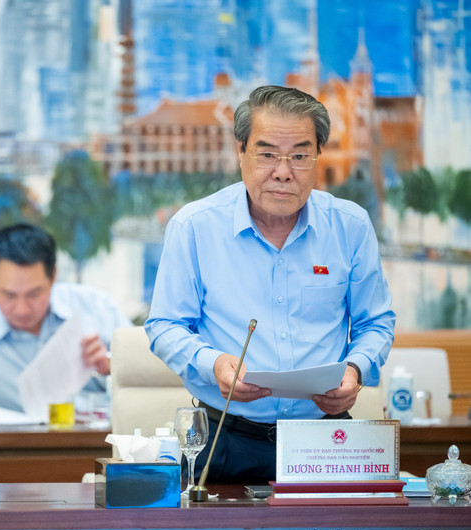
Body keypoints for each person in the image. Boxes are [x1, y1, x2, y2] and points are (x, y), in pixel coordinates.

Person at [145, 85, 396, 483]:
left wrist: (356, 369)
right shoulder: (194, 227)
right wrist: (214, 365)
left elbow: (375, 324)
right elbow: (164, 327)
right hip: (227, 438)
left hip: (326, 440)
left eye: (299, 155)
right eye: (267, 155)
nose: (283, 171)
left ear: (318, 157)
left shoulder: (350, 226)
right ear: (241, 152)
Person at [0, 223, 132, 419]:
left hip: (101, 444)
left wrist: (112, 367)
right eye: (9, 295)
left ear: (53, 276)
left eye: (34, 294)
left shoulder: (97, 309)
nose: (22, 309)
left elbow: (149, 382)